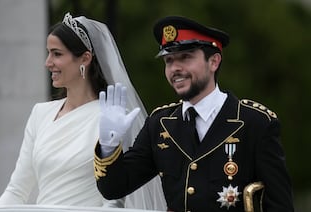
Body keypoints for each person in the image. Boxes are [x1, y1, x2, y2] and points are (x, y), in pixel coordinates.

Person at [94, 15, 294, 211]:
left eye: (185, 57)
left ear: (214, 62)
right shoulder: (160, 123)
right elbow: (115, 187)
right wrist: (108, 146)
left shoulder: (255, 122)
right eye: (169, 61)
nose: (175, 68)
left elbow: (279, 204)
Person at [0, 12, 166, 209]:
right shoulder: (40, 113)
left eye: (57, 54)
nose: (48, 62)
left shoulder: (112, 116)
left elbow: (113, 199)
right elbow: (16, 190)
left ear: (85, 58)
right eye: (48, 53)